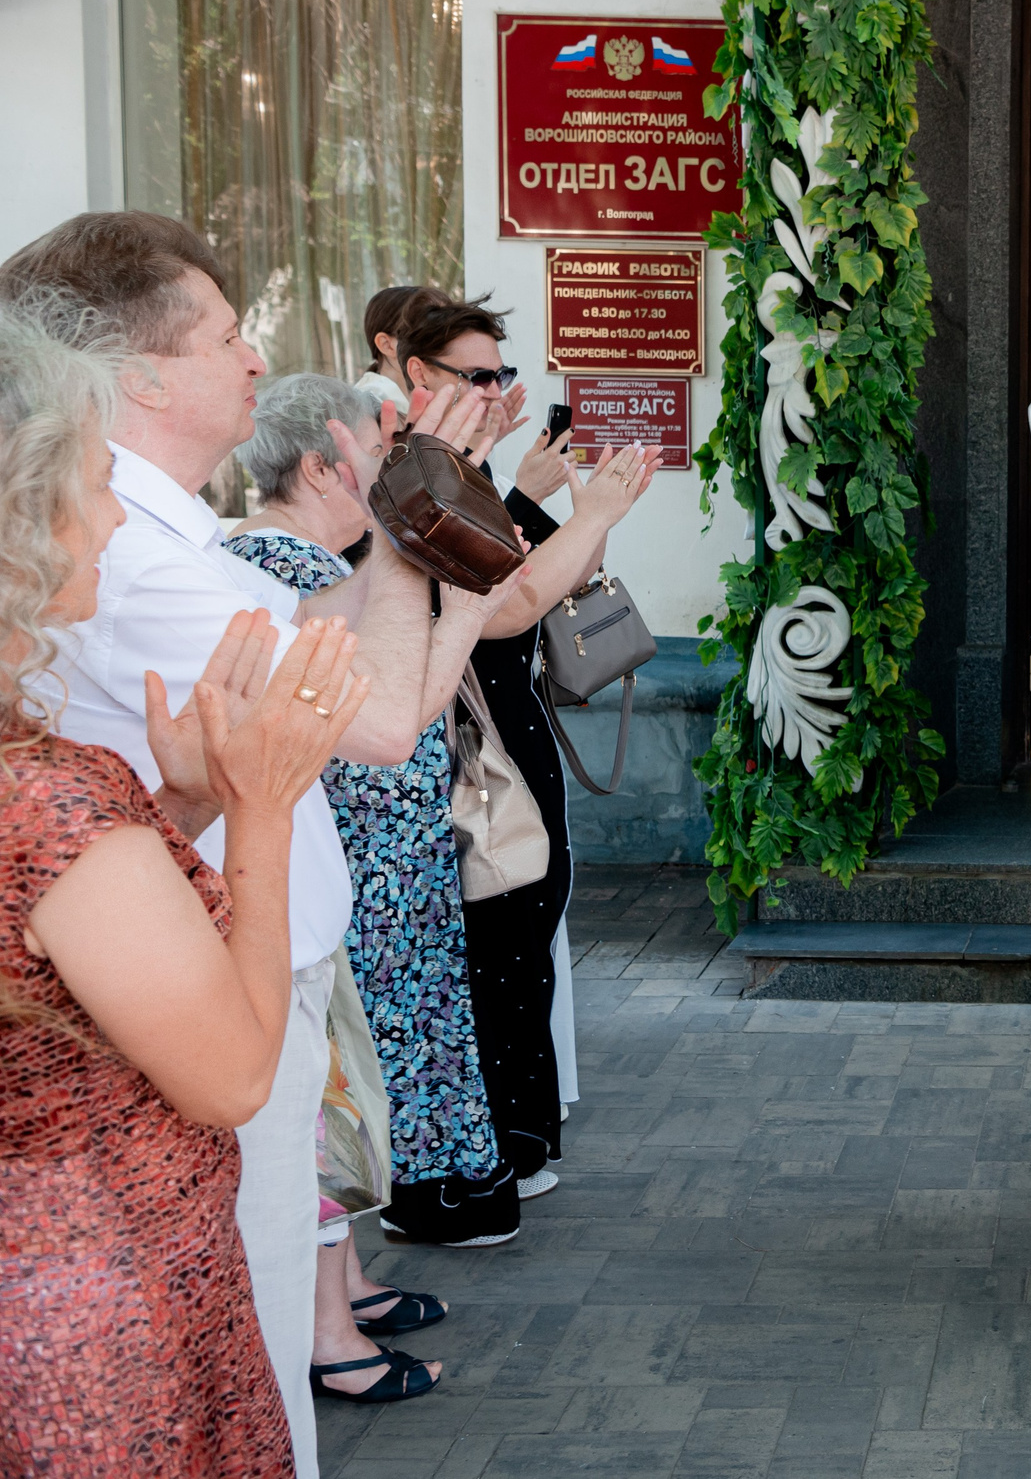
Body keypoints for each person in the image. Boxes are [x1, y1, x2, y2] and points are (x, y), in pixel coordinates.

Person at [1, 213, 497, 1477]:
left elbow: (327, 641)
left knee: (252, 1309)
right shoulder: (64, 742)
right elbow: (377, 711)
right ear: (142, 377)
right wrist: (405, 527)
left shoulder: (168, 532)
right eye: (227, 333)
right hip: (186, 1014)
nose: (256, 357)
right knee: (254, 1322)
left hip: (199, 974)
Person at [0, 312, 369, 1476]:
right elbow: (230, 1075)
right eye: (95, 485)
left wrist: (190, 803)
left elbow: (59, 942)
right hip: (96, 1308)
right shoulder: (41, 794)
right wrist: (263, 806)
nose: (115, 517)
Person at [387, 294, 649, 1203]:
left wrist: (576, 507)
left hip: (515, 720)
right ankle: (503, 1143)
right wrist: (586, 510)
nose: (500, 390)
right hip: (467, 743)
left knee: (525, 932)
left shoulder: (464, 470)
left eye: (504, 373)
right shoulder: (409, 477)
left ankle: (527, 1132)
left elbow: (547, 572)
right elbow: (508, 603)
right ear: (420, 377)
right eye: (479, 375)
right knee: (495, 942)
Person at [352, 285, 440, 417]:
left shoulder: (410, 395)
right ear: (386, 345)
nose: (440, 344)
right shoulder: (371, 403)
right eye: (425, 335)